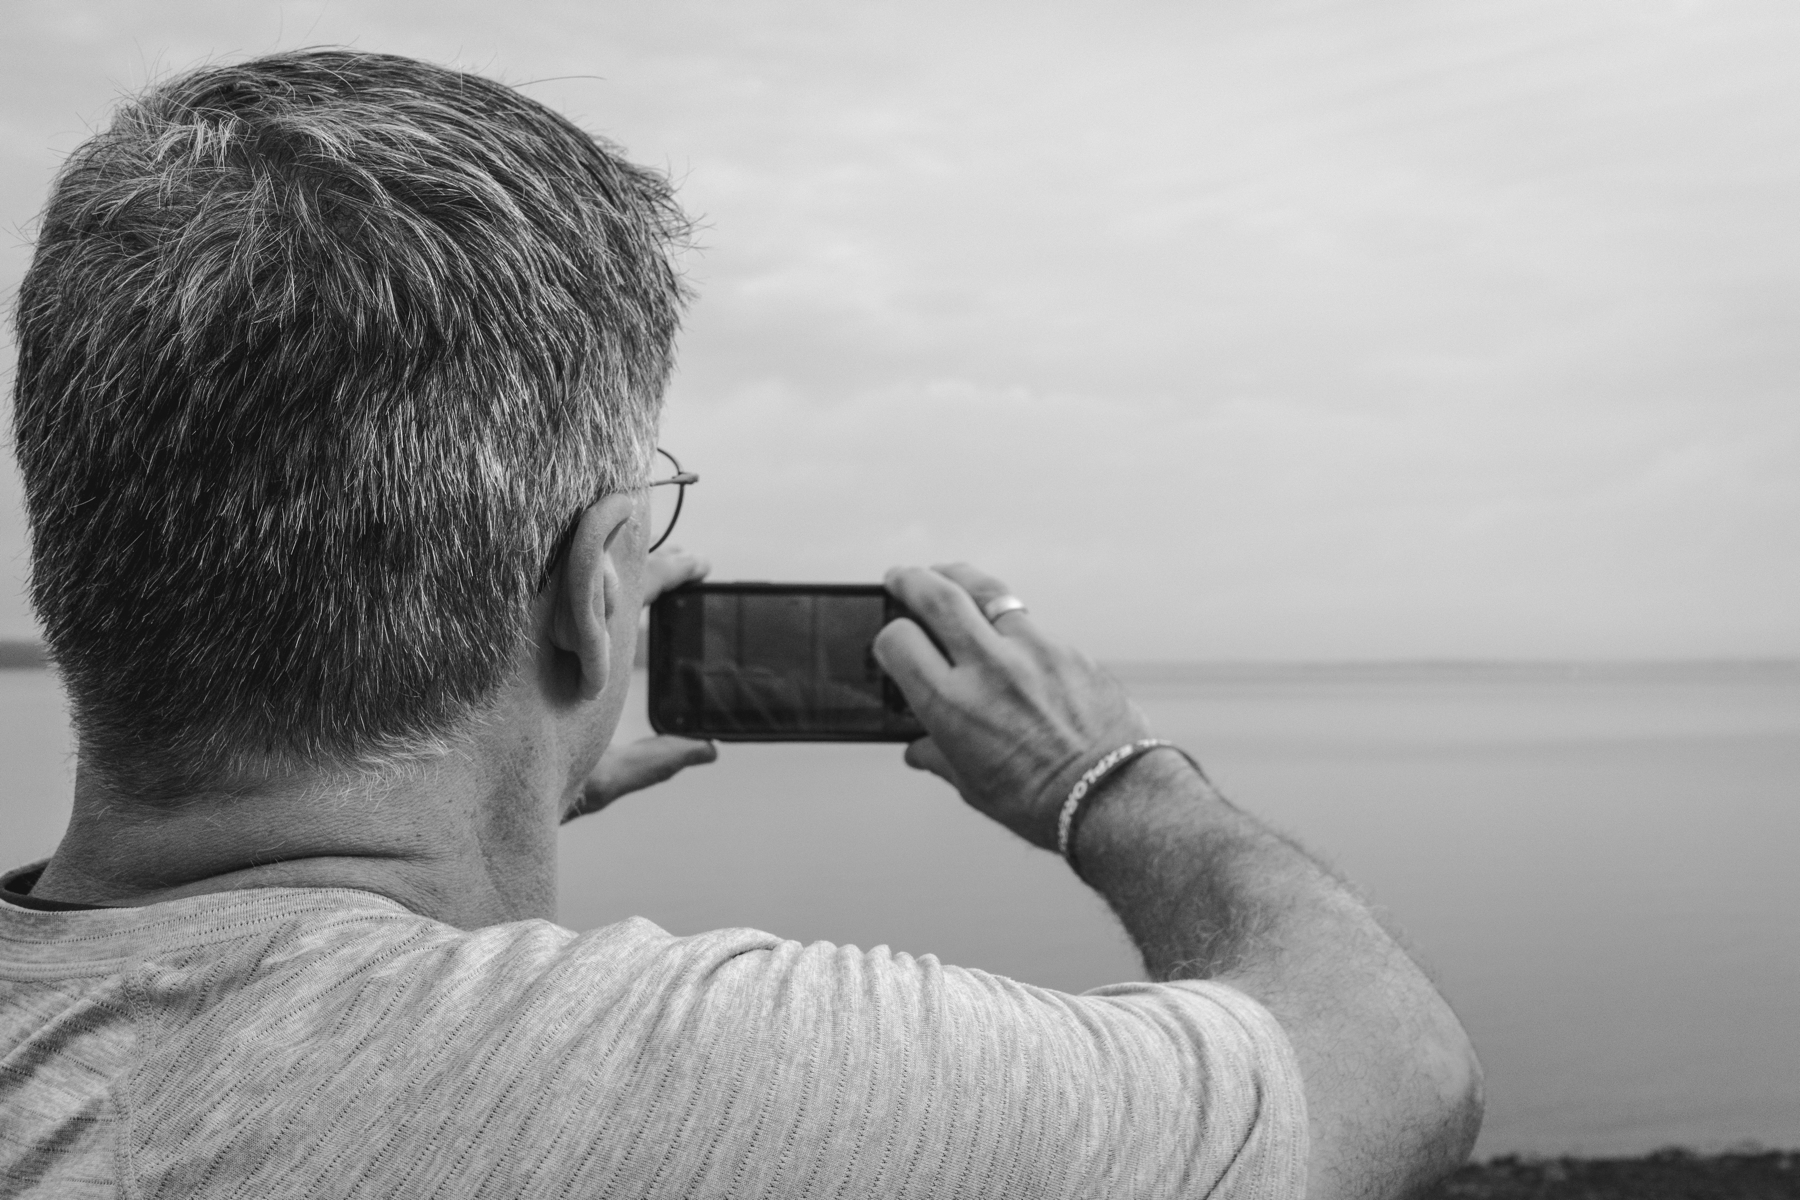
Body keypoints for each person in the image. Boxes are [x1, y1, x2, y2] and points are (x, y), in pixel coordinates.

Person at [0, 49, 1480, 1199]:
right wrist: (1098, 773)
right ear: (596, 595)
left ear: (73, 562)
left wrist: (500, 779)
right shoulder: (705, 1080)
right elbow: (1387, 1068)